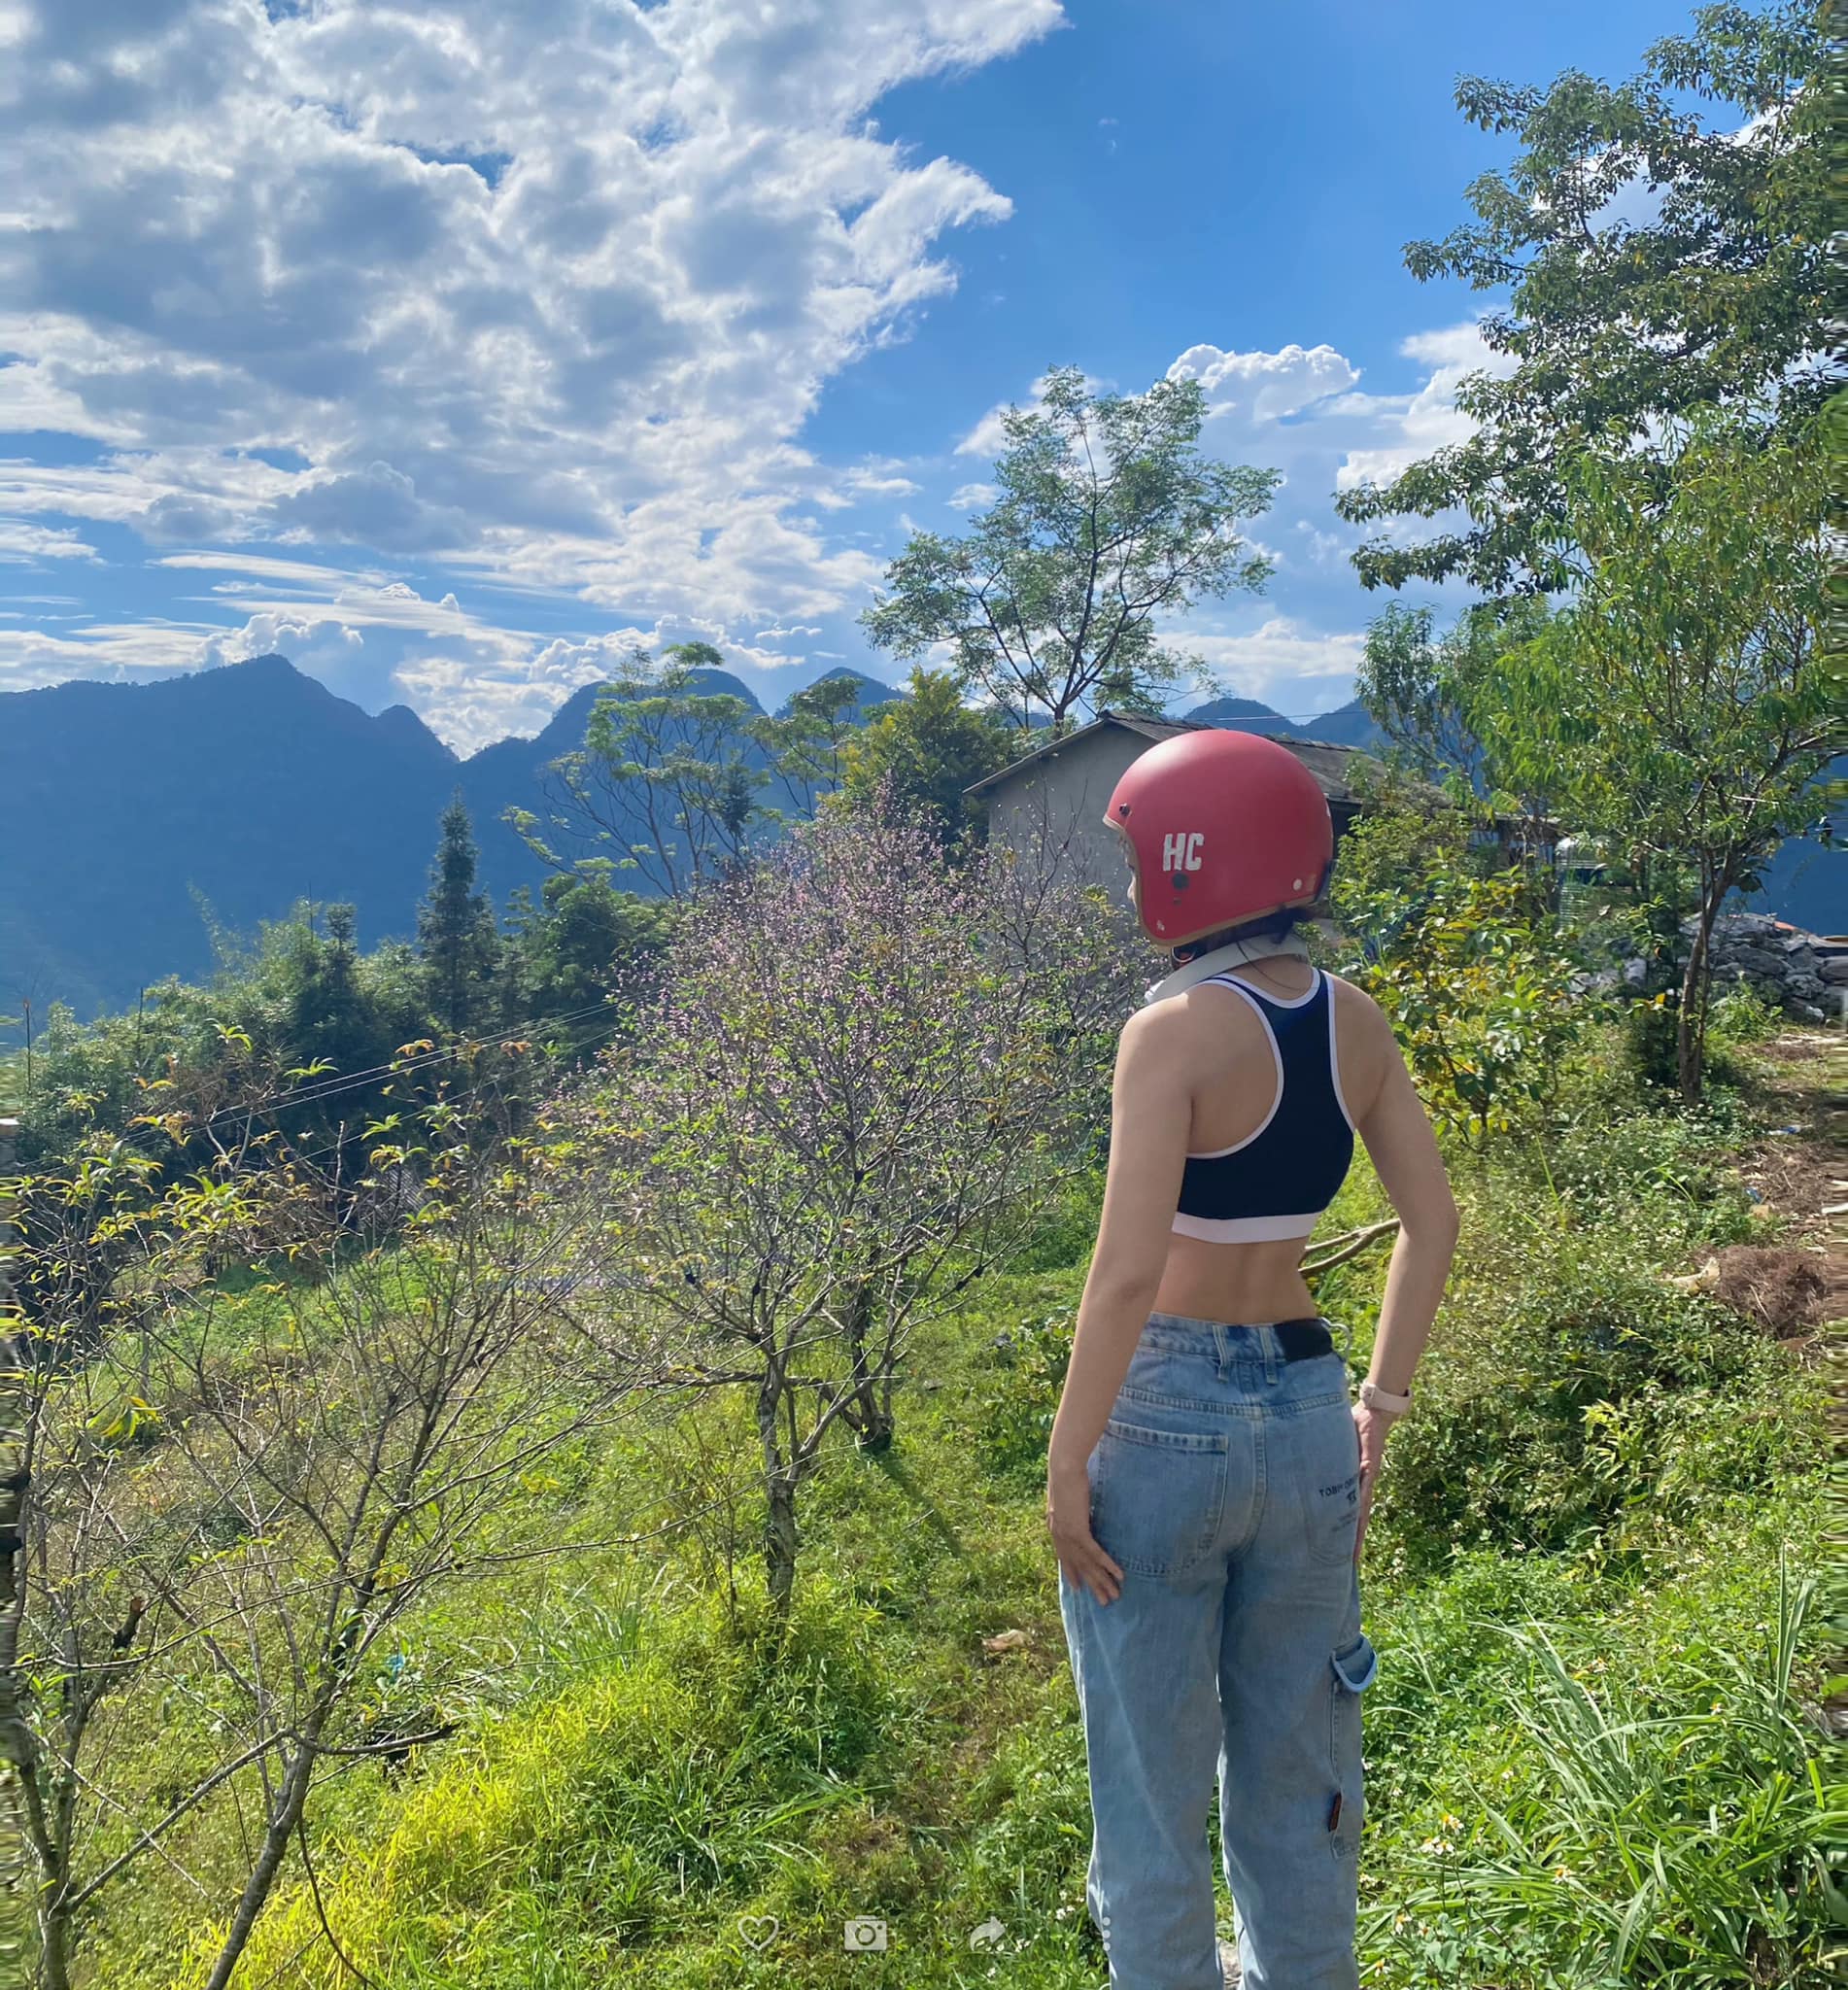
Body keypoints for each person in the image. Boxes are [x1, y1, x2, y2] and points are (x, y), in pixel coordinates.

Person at [1045, 729, 1458, 1990]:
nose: (1132, 883)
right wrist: (1379, 1404)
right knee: (1300, 1777)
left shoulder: (1168, 1032)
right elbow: (1433, 1223)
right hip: (1306, 1408)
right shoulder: (1355, 1023)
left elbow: (1125, 1276)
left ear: (1191, 862)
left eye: (1139, 857)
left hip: (1163, 1416)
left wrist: (1065, 1463)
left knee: (1150, 1798)